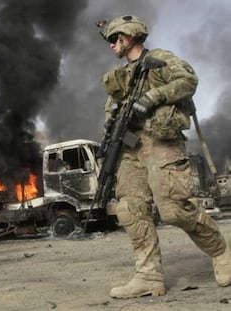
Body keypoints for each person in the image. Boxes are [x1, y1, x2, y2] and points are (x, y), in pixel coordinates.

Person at [97, 15, 231, 299]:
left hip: (161, 143)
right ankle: (148, 276)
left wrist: (154, 97)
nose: (111, 45)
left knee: (172, 209)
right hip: (129, 150)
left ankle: (221, 251)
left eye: (114, 39)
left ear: (129, 35)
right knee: (130, 211)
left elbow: (188, 80)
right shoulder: (121, 77)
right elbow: (112, 111)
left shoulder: (159, 59)